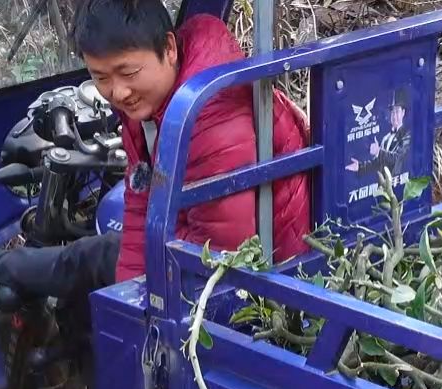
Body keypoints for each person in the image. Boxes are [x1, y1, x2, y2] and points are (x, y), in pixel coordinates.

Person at [76, 0, 311, 282]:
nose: (118, 92)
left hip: (270, 279)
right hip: (197, 245)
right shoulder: (148, 105)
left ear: (170, 49)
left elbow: (221, 254)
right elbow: (142, 202)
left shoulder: (210, 113)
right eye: (100, 77)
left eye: (129, 73)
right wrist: (129, 293)